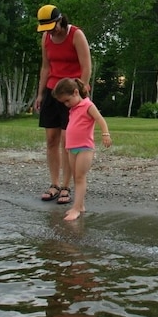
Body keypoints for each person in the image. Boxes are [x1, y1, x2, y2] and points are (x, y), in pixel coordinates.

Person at [35, 5, 92, 205]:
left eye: (53, 26)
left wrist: (81, 94)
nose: (51, 31)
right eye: (47, 28)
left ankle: (67, 186)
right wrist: (40, 94)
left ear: (61, 20)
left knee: (69, 142)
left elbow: (86, 67)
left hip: (72, 94)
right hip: (52, 91)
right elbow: (45, 67)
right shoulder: (46, 39)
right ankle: (54, 184)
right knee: (51, 140)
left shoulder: (76, 35)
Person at [52, 78, 112, 221]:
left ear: (76, 92)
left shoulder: (87, 105)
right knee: (75, 176)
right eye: (63, 103)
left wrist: (105, 134)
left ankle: (77, 207)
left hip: (85, 148)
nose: (66, 105)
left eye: (67, 100)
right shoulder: (73, 108)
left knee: (80, 177)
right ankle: (81, 205)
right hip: (72, 148)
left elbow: (100, 119)